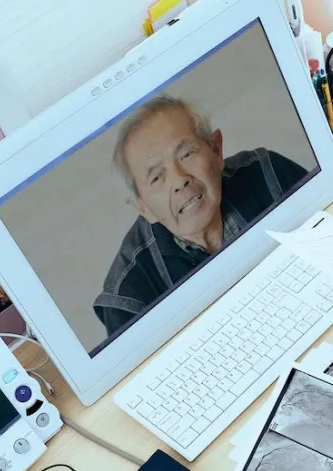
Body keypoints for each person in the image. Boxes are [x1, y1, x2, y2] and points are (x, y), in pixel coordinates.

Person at [93, 95, 309, 335]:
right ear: (143, 207)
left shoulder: (269, 175)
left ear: (216, 150)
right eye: (157, 177)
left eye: (186, 154)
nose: (179, 179)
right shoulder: (129, 295)